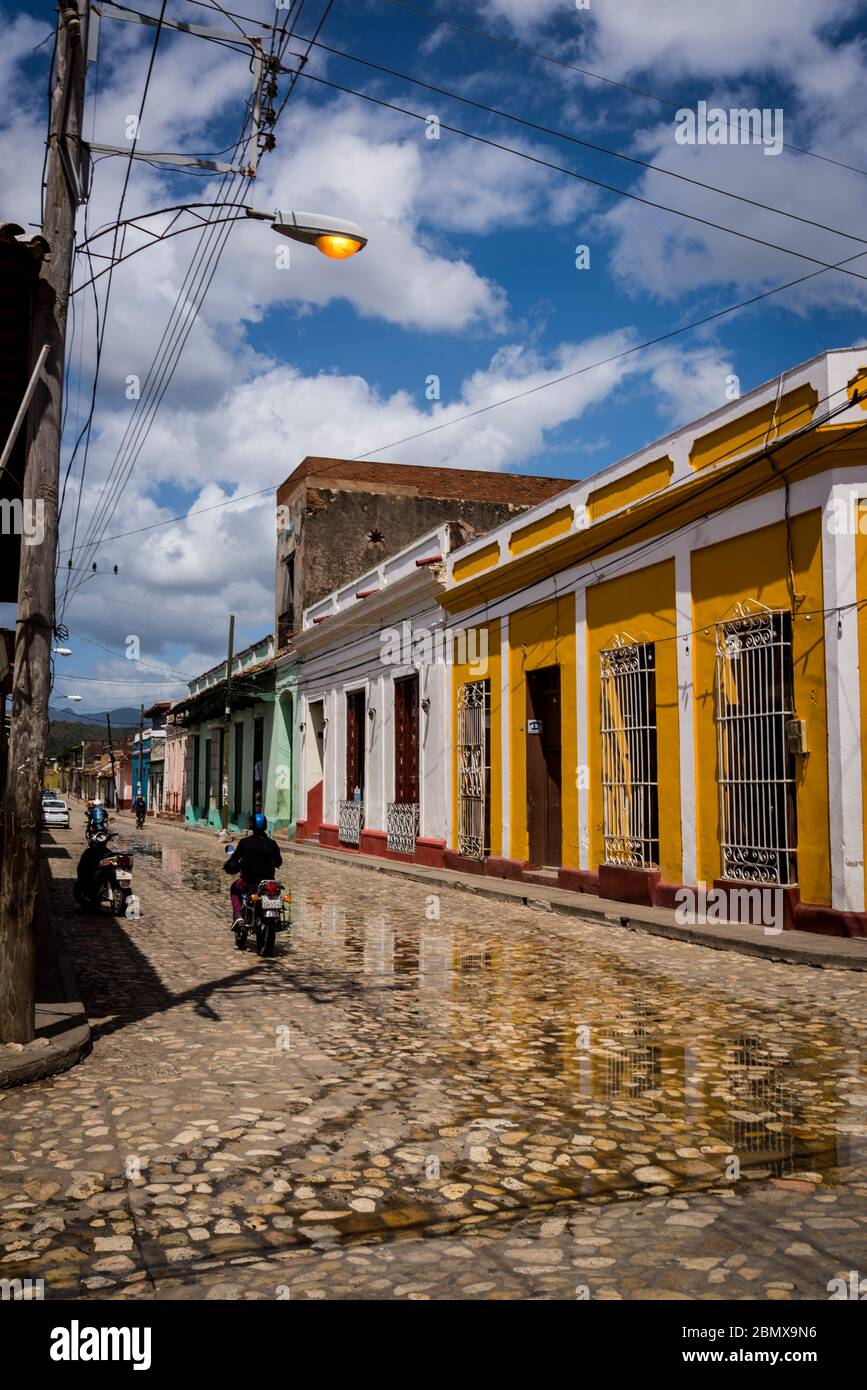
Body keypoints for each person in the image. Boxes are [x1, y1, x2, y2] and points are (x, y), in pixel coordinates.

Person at [223, 812, 282, 924]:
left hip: (249, 882)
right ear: (265, 825)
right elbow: (279, 862)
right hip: (268, 882)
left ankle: (238, 914)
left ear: (251, 825)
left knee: (234, 889)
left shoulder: (244, 843)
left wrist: (230, 865)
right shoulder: (272, 843)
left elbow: (234, 859)